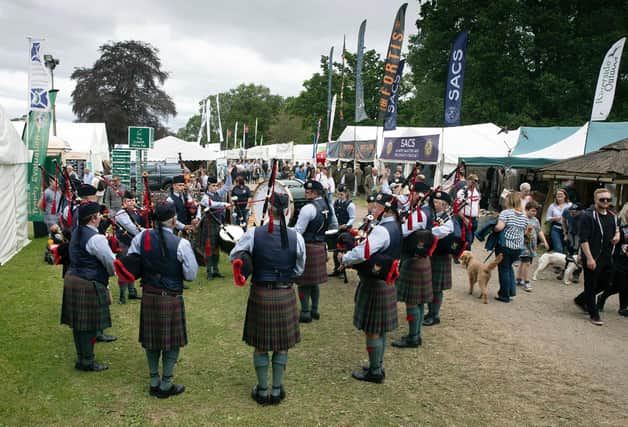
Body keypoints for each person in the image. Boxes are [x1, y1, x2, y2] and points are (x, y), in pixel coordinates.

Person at [229, 193, 306, 405]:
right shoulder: (296, 237)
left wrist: (249, 260)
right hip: (284, 293)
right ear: (287, 210)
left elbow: (234, 256)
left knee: (261, 345)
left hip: (261, 293)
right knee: (282, 345)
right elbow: (299, 269)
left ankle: (262, 391)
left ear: (268, 210)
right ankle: (277, 389)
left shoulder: (254, 234)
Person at [128, 202, 198, 398]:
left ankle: (153, 380)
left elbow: (133, 260)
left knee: (151, 341)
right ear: (174, 220)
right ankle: (166, 384)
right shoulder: (181, 244)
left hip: (149, 295)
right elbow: (191, 275)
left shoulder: (142, 237)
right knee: (171, 342)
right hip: (171, 297)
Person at [342, 192, 401, 383]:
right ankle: (378, 363)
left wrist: (345, 258)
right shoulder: (395, 225)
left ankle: (375, 371)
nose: (371, 209)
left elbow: (363, 252)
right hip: (386, 282)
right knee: (380, 329)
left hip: (375, 284)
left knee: (372, 330)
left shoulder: (382, 231)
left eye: (375, 207)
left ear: (386, 209)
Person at [60, 202, 116, 371]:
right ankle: (87, 361)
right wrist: (110, 276)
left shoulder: (76, 231)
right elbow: (110, 262)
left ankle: (83, 358)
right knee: (90, 326)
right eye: (99, 215)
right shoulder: (96, 238)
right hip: (88, 282)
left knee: (79, 325)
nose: (101, 217)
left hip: (72, 278)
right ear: (93, 218)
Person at [393, 182, 432, 348]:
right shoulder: (426, 210)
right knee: (419, 301)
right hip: (420, 259)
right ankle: (416, 334)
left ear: (421, 195)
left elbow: (403, 231)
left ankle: (413, 336)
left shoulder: (420, 214)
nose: (411, 196)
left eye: (413, 193)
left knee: (411, 302)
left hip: (413, 260)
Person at [574, 189, 619, 325]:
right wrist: (589, 258)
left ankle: (581, 300)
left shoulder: (613, 216)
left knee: (607, 283)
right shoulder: (587, 216)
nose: (605, 202)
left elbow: (617, 229)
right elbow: (583, 239)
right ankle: (594, 315)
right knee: (591, 285)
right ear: (595, 200)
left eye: (608, 199)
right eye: (602, 199)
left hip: (608, 257)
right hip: (592, 256)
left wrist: (617, 236)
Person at [294, 180, 331, 323]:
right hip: (321, 245)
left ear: (315, 192)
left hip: (308, 246)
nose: (305, 193)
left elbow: (298, 231)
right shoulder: (327, 205)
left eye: (308, 191)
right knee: (314, 282)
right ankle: (315, 310)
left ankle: (305, 312)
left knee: (303, 282)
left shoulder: (308, 208)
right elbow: (331, 225)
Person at [423, 191, 455, 326]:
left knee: (436, 287)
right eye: (434, 201)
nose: (434, 204)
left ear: (444, 205)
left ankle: (434, 315)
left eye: (437, 202)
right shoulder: (432, 215)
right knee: (430, 286)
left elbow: (442, 232)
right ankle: (430, 312)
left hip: (441, 256)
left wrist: (427, 232)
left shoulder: (448, 219)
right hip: (432, 254)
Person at [494, 191, 528, 303]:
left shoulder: (506, 213)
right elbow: (525, 232)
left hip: (505, 245)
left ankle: (504, 295)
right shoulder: (524, 216)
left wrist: (494, 227)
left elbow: (500, 227)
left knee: (503, 269)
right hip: (518, 247)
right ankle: (511, 291)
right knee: (509, 268)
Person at [596, 202, 628, 317]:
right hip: (619, 259)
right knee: (619, 284)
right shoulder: (619, 224)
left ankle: (623, 308)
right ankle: (602, 298)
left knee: (626, 285)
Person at [199, 171, 233, 279]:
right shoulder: (205, 197)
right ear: (208, 186)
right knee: (210, 248)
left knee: (217, 248)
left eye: (216, 185)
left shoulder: (218, 193)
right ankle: (209, 271)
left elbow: (227, 186)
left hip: (219, 225)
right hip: (209, 225)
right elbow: (212, 205)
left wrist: (228, 174)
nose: (215, 187)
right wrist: (224, 204)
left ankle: (216, 270)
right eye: (213, 186)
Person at [114, 191, 144, 304]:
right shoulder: (121, 214)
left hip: (134, 244)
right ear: (123, 203)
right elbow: (133, 229)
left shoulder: (136, 212)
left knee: (132, 267)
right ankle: (122, 296)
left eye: (133, 200)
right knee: (123, 269)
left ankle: (132, 292)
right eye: (128, 201)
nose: (131, 203)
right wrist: (148, 232)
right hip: (124, 244)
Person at [516, 201, 548, 292]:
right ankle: (526, 281)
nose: (534, 213)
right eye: (532, 211)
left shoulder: (535, 220)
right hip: (523, 245)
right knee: (527, 263)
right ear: (526, 210)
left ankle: (518, 279)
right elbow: (519, 232)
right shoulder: (522, 219)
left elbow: (539, 231)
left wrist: (544, 241)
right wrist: (526, 232)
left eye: (535, 211)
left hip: (532, 246)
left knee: (523, 262)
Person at [329, 185, 356, 276]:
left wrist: (347, 225)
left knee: (342, 251)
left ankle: (342, 272)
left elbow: (352, 218)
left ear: (346, 194)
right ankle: (336, 270)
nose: (340, 196)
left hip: (345, 231)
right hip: (337, 229)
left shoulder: (350, 205)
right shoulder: (336, 202)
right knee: (335, 250)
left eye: (342, 194)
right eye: (339, 194)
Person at [457, 174, 481, 250]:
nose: (474, 184)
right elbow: (456, 207)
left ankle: (462, 254)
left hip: (474, 220)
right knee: (468, 240)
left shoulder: (476, 192)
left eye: (476, 182)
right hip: (465, 218)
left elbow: (478, 203)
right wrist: (464, 219)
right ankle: (465, 257)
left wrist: (477, 213)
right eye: (473, 181)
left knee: (471, 239)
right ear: (468, 181)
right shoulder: (462, 192)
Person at [545, 188, 571, 254]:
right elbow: (547, 218)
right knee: (558, 249)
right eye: (557, 194)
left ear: (565, 195)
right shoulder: (552, 206)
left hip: (568, 230)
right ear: (556, 197)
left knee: (566, 249)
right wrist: (554, 218)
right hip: (556, 228)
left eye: (561, 194)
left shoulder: (570, 205)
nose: (559, 195)